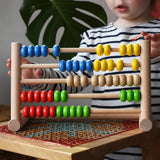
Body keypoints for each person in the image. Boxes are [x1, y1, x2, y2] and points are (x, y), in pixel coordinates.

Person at [7, 0, 160, 159]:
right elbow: (73, 77)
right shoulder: (94, 37)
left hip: (155, 140)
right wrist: (38, 76)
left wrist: (157, 56)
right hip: (109, 140)